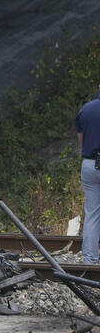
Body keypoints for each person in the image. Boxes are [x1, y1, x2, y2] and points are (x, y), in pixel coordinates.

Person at [78, 83, 100, 263]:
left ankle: (90, 259)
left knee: (92, 213)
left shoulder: (86, 109)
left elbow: (81, 141)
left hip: (89, 164)